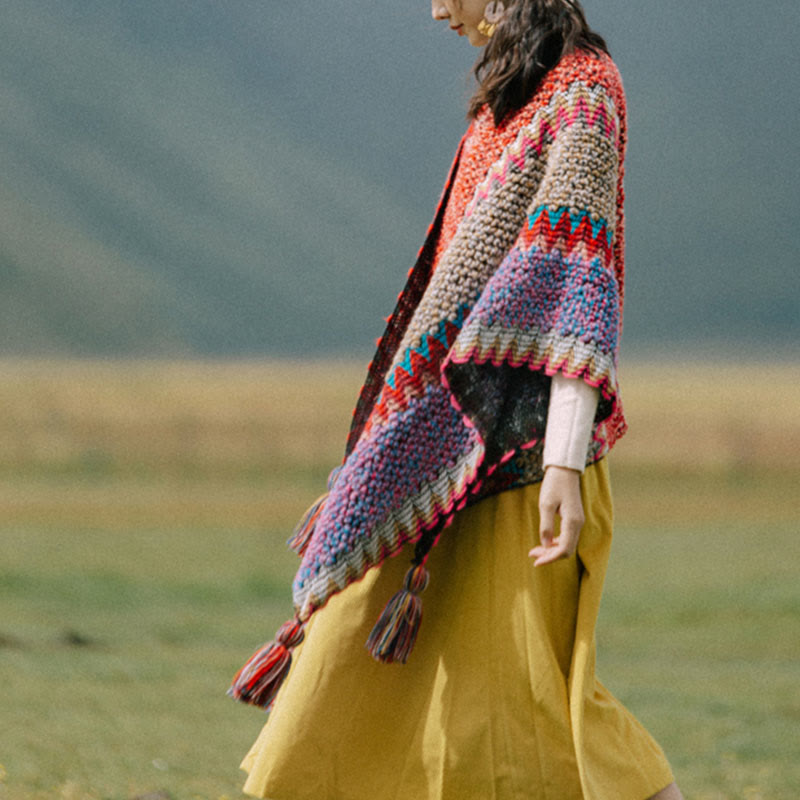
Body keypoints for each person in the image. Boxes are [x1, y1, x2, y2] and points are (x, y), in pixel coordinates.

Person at [231, 2, 684, 798]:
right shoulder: (505, 100)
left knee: (536, 713)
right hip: (426, 452)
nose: (436, 8)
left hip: (521, 464)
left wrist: (564, 466)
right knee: (329, 688)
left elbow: (576, 282)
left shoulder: (585, 91)